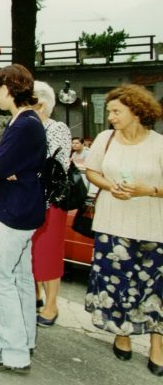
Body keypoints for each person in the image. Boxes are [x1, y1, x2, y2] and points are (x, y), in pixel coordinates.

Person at [83, 84, 163, 377]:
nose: (111, 116)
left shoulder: (159, 144)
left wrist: (148, 190)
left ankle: (158, 346)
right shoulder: (105, 139)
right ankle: (122, 334)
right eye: (110, 111)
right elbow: (92, 171)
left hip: (154, 228)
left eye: (117, 111)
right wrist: (110, 186)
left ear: (136, 111)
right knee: (116, 285)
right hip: (112, 225)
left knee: (155, 290)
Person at [0, 64, 46, 374]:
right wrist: (5, 169)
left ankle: (13, 351)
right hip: (24, 207)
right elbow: (5, 166)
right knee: (20, 276)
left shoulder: (22, 125)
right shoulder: (28, 120)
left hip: (16, 211)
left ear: (8, 89)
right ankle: (22, 336)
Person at [30, 81, 72, 327]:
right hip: (30, 199)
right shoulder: (29, 125)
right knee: (31, 251)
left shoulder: (57, 128)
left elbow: (53, 163)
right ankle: (35, 295)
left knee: (48, 252)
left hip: (50, 200)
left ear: (42, 103)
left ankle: (51, 304)